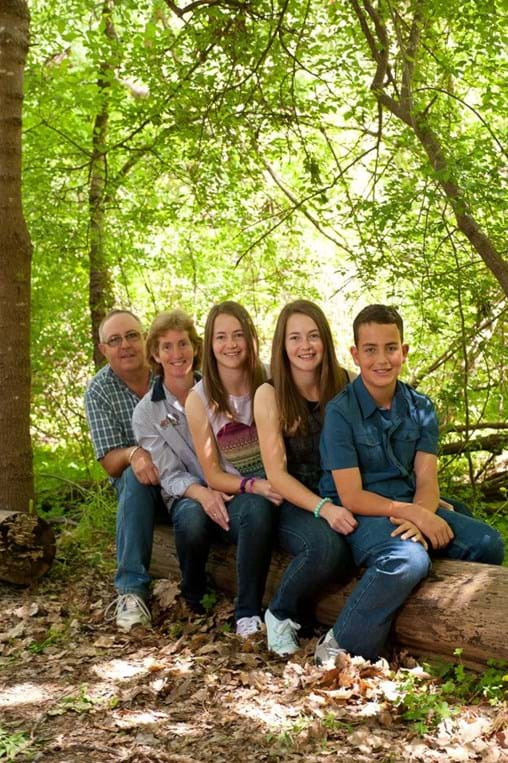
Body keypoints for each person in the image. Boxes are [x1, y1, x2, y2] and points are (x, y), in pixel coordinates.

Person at [316, 304, 505, 666]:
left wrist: (422, 512)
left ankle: (434, 631)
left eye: (391, 348)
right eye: (370, 349)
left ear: (404, 351)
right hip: (360, 513)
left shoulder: (421, 407)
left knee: (487, 543)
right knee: (408, 558)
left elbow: (426, 478)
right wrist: (415, 516)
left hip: (409, 505)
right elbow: (351, 495)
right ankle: (340, 641)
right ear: (355, 354)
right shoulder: (340, 412)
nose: (381, 359)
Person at [254, 300, 357, 656]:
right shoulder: (269, 394)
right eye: (295, 337)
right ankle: (280, 613)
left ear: (325, 340)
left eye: (313, 336)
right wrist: (325, 509)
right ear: (282, 345)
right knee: (326, 546)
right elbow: (277, 476)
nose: (305, 345)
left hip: (345, 494)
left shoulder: (346, 383)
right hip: (294, 503)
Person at [185, 301, 282, 637]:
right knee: (256, 510)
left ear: (251, 339)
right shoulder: (199, 400)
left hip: (286, 487)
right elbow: (212, 475)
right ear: (210, 345)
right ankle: (248, 613)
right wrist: (254, 486)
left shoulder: (271, 379)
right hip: (241, 497)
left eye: (238, 335)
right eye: (221, 337)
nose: (231, 344)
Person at [132, 309, 230, 613]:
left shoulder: (219, 390)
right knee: (192, 518)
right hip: (184, 493)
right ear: (155, 354)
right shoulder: (146, 412)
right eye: (167, 347)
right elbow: (170, 475)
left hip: (231, 483)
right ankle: (194, 595)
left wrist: (225, 486)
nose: (177, 354)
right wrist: (203, 493)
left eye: (183, 344)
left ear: (196, 348)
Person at [84, 309, 162, 632]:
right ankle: (131, 591)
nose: (125, 345)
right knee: (132, 475)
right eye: (114, 340)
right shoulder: (99, 390)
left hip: (185, 478)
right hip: (140, 487)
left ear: (144, 339)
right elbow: (107, 462)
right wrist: (134, 453)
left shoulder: (169, 369)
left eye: (131, 335)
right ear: (104, 350)